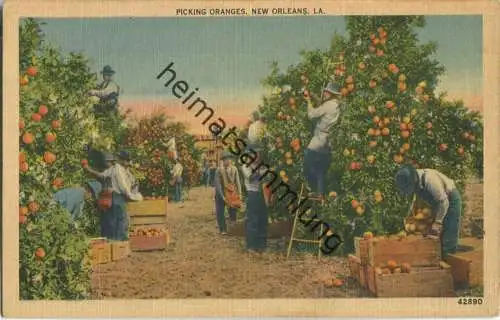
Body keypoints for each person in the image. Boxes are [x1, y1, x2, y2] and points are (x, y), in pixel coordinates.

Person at [395, 164, 462, 257]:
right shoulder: (417, 183)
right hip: (438, 205)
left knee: (448, 235)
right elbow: (413, 203)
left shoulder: (430, 180)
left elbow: (444, 203)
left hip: (450, 201)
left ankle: (448, 264)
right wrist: (408, 219)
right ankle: (437, 260)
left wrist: (437, 223)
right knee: (433, 238)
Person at [303, 82, 343, 199]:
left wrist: (308, 101)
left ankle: (313, 188)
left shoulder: (328, 105)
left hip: (319, 140)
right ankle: (320, 193)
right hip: (328, 141)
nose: (324, 93)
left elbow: (311, 114)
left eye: (326, 92)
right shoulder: (337, 105)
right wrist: (314, 96)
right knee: (319, 168)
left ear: (331, 94)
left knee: (307, 163)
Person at [84, 152, 136, 240]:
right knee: (116, 219)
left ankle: (117, 240)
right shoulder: (115, 169)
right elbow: (101, 175)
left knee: (118, 219)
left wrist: (88, 169)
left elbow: (129, 184)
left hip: (119, 196)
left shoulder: (123, 171)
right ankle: (115, 240)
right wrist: (88, 169)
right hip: (116, 196)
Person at [241, 144, 269, 253]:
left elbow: (268, 178)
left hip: (263, 194)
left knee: (263, 219)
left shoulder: (262, 165)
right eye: (254, 154)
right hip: (253, 194)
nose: (257, 156)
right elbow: (251, 178)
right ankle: (251, 246)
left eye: (258, 154)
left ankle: (261, 245)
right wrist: (261, 171)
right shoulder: (245, 166)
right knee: (252, 220)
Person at [214, 151, 242, 235]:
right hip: (221, 193)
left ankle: (233, 228)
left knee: (233, 209)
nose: (227, 161)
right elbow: (218, 184)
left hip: (231, 192)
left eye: (229, 159)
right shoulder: (219, 170)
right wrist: (222, 196)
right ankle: (222, 229)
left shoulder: (234, 169)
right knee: (220, 211)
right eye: (225, 159)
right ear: (223, 160)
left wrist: (239, 194)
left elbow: (238, 182)